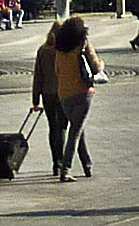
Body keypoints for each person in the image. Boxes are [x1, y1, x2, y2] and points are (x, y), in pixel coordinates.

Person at [53, 16, 101, 181]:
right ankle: (65, 170)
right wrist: (102, 64)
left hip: (64, 93)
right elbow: (95, 67)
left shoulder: (58, 50)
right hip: (82, 92)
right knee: (75, 132)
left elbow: (57, 71)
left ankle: (87, 165)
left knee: (77, 128)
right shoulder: (83, 46)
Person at [33, 23, 80, 178]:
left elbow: (38, 76)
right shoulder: (65, 51)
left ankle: (56, 163)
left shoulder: (43, 50)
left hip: (47, 94)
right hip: (63, 93)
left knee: (53, 128)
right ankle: (64, 164)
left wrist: (35, 99)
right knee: (64, 128)